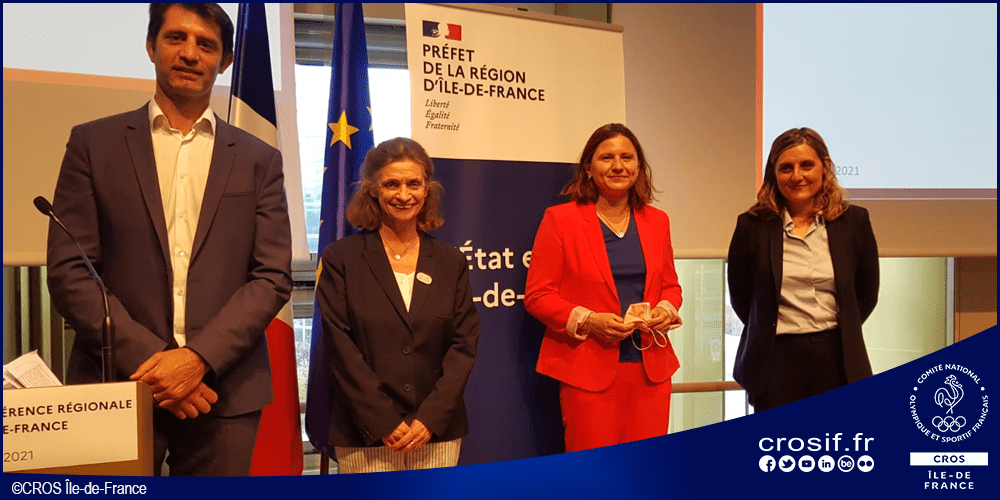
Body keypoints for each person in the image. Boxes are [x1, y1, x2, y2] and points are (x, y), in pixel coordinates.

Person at [46, 3, 292, 476]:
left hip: (224, 390)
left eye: (206, 45)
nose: (190, 53)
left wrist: (198, 359)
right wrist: (158, 363)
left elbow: (272, 276)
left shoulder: (259, 159)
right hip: (117, 382)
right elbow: (71, 270)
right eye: (176, 38)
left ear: (225, 62)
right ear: (151, 46)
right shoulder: (93, 144)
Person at [316, 137, 480, 472]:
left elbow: (464, 345)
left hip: (435, 432)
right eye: (392, 184)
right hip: (365, 433)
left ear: (427, 190)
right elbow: (339, 347)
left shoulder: (450, 261)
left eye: (413, 184)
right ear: (372, 190)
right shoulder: (340, 259)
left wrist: (429, 419)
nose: (404, 195)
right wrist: (383, 421)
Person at [524, 123, 683, 452]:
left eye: (627, 157)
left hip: (651, 371)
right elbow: (538, 295)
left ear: (639, 167)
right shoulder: (560, 220)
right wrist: (589, 320)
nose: (618, 166)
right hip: (588, 370)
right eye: (606, 158)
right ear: (588, 167)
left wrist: (666, 311)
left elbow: (670, 286)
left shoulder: (658, 221)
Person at [727, 127, 879, 411]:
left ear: (825, 166)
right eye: (786, 168)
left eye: (806, 165)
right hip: (775, 360)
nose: (797, 176)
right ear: (774, 173)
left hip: (838, 357)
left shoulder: (854, 222)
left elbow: (866, 294)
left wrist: (840, 330)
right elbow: (742, 297)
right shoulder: (751, 226)